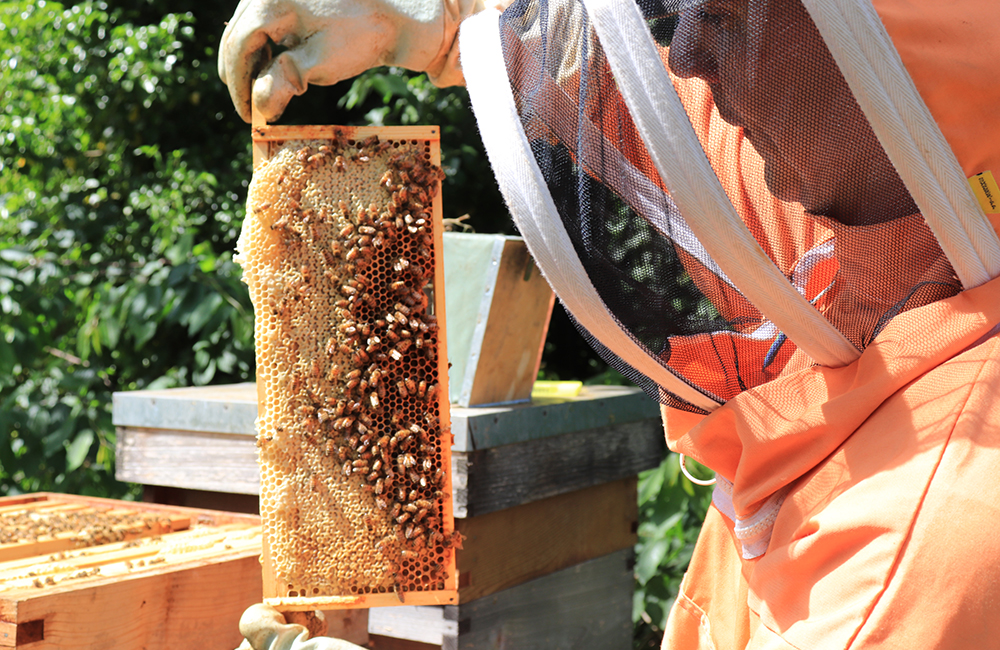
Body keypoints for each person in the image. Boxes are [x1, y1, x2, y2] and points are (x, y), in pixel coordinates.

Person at [220, 0, 1000, 647]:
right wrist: (435, 21)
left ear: (876, 47)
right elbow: (627, 110)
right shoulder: (909, 209)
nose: (686, 52)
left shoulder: (926, 543)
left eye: (727, 14)